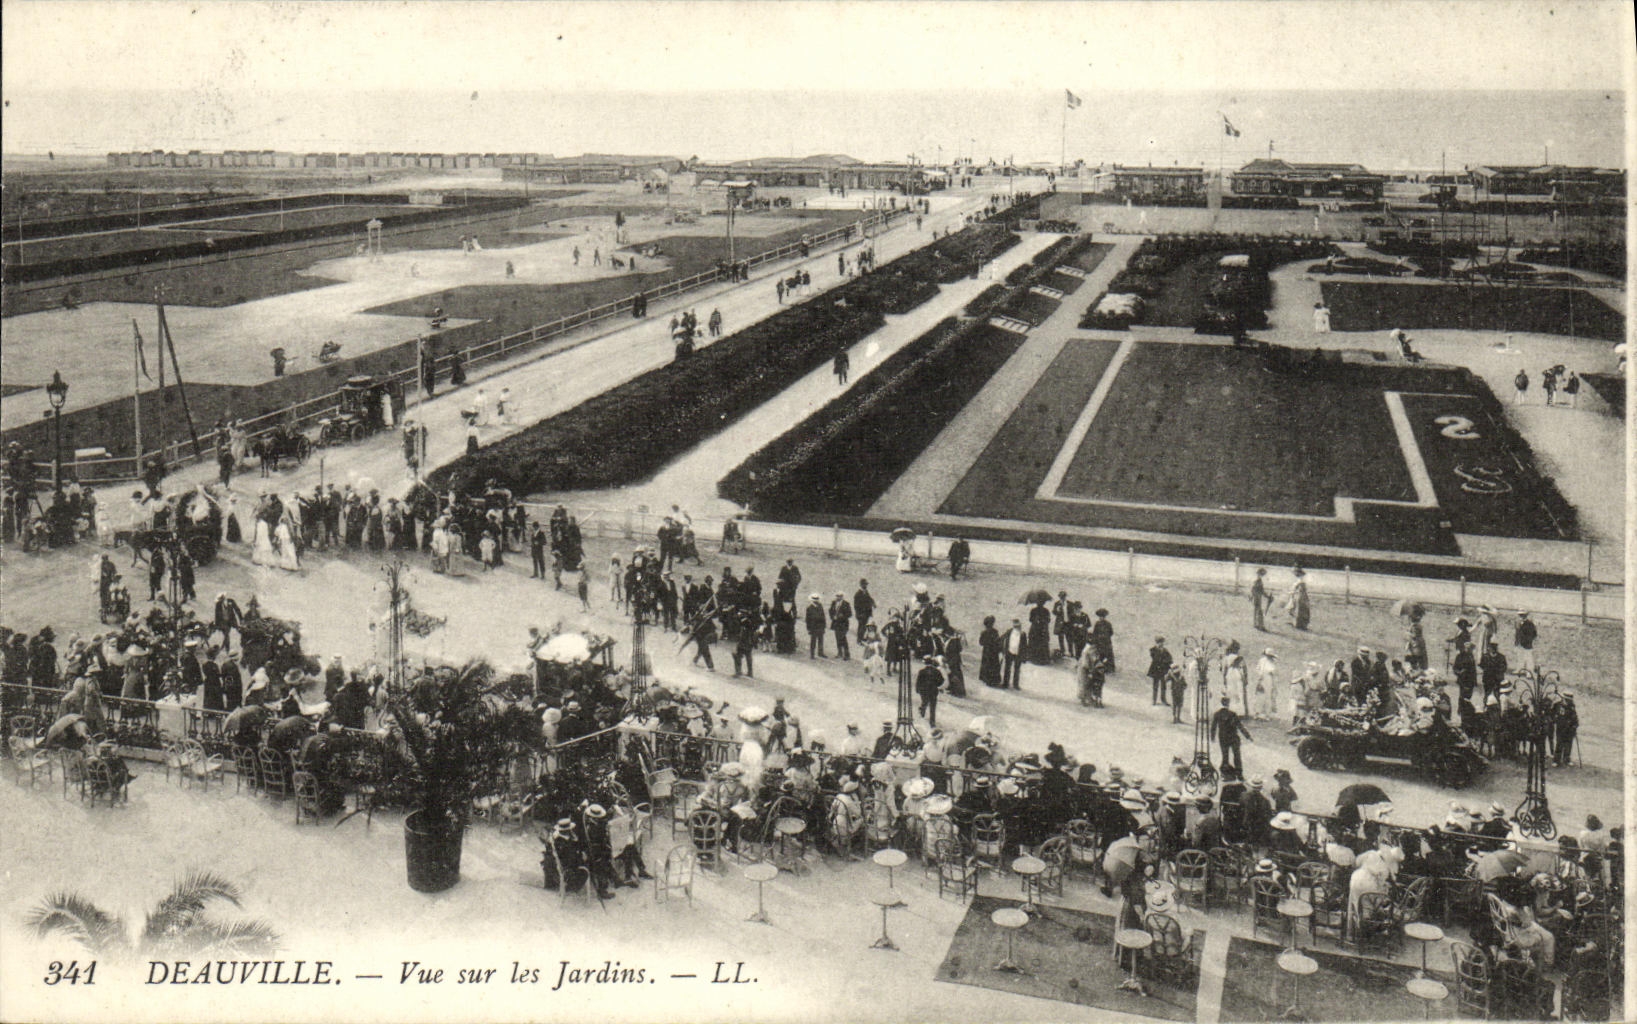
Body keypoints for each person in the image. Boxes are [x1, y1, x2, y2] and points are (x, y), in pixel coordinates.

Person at [1211, 696, 1251, 774]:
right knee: (1237, 756)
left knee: (1225, 756)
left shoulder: (1217, 714)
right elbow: (1240, 726)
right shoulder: (1233, 714)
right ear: (1228, 703)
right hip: (1233, 738)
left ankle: (1225, 774)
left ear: (1221, 703)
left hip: (1223, 738)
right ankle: (1239, 773)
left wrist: (1212, 737)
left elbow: (1213, 727)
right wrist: (1248, 736)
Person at [915, 657, 944, 728]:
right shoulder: (937, 671)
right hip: (933, 691)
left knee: (924, 702)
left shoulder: (922, 671)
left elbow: (918, 681)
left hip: (924, 691)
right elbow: (941, 681)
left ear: (925, 663)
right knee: (933, 707)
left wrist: (917, 689)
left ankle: (922, 714)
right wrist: (936, 685)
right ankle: (932, 722)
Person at [1147, 636, 1173, 706]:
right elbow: (1155, 658)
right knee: (1155, 685)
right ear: (1156, 643)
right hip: (1156, 670)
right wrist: (1164, 660)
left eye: (1162, 643)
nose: (1161, 644)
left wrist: (1167, 662)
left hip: (1163, 671)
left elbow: (1170, 658)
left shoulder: (1165, 650)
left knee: (1163, 686)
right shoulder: (1153, 650)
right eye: (1159, 643)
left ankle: (1163, 700)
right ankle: (1154, 700)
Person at [1002, 619, 1025, 689]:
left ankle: (1015, 684)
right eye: (1016, 626)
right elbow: (1002, 638)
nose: (1018, 627)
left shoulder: (1023, 634)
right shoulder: (1009, 631)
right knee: (1007, 668)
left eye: (1019, 626)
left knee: (1017, 669)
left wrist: (1024, 656)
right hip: (1009, 652)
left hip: (1018, 653)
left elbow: (1024, 646)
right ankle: (1006, 683)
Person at [828, 593, 852, 660]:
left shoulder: (846, 604)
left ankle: (847, 654)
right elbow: (830, 611)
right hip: (836, 624)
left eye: (839, 596)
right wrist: (832, 617)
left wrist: (842, 616)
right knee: (838, 638)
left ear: (842, 597)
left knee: (843, 639)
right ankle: (840, 653)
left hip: (843, 624)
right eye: (837, 596)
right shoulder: (834, 603)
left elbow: (849, 614)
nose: (838, 597)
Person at [804, 594, 827, 658]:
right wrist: (808, 628)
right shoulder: (809, 608)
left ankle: (820, 652)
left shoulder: (820, 606)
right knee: (813, 641)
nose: (816, 601)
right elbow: (807, 619)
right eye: (815, 600)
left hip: (820, 626)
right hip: (813, 627)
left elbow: (823, 616)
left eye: (817, 600)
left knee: (820, 640)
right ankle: (812, 654)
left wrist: (824, 625)